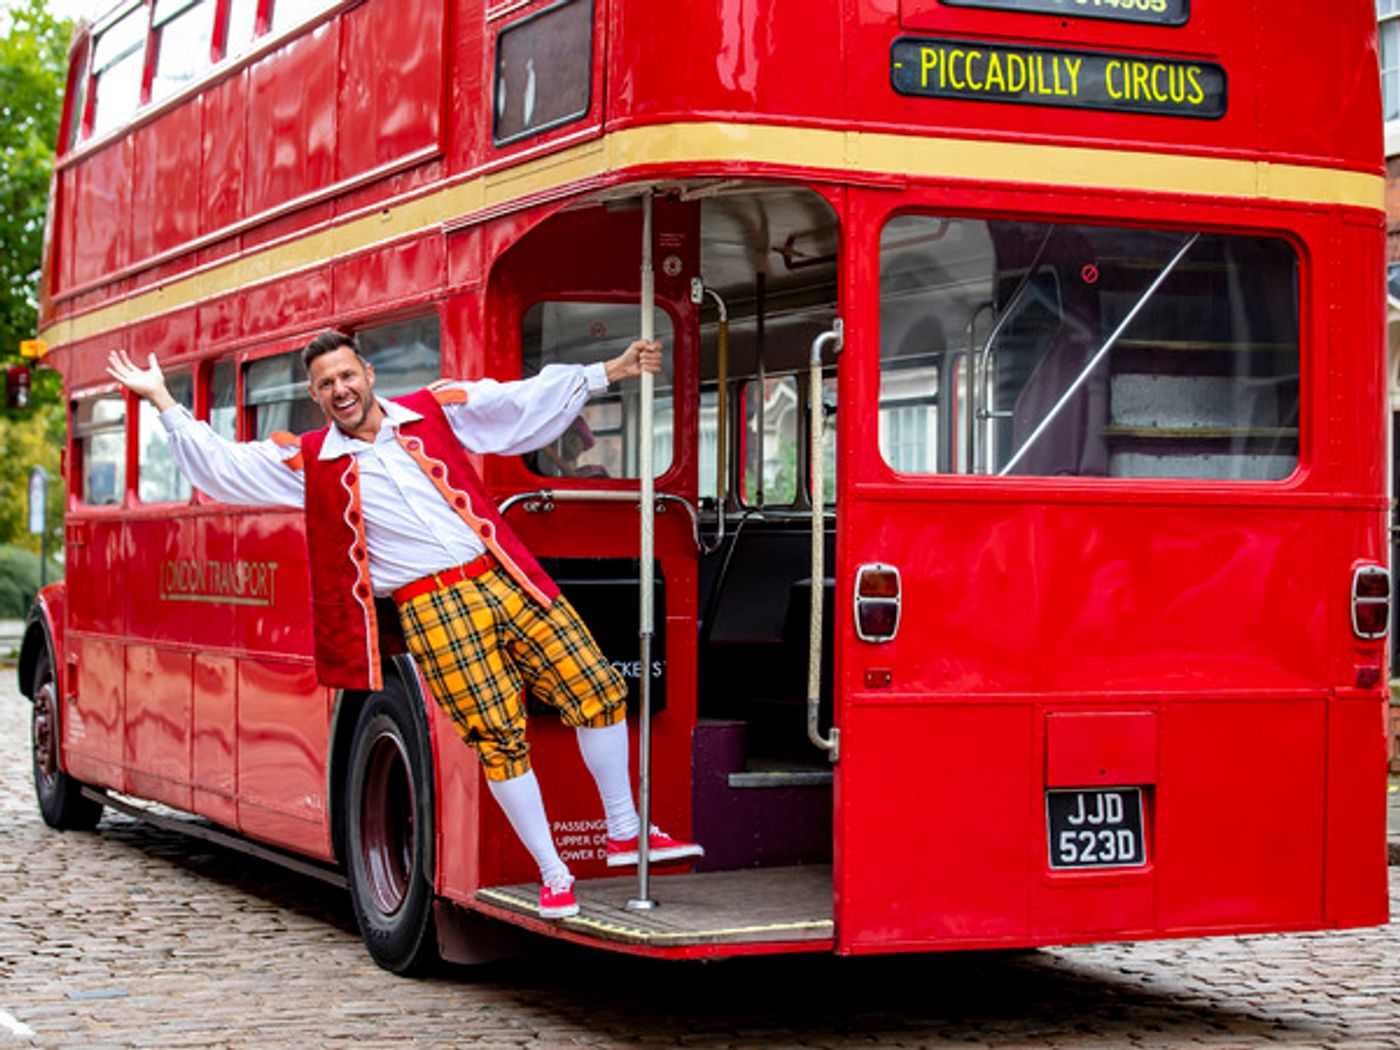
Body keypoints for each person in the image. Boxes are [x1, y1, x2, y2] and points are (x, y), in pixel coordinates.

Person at [107, 330, 702, 920]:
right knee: (498, 736)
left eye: (346, 376)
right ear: (315, 397)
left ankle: (624, 830)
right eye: (325, 385)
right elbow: (222, 466)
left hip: (500, 573)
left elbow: (513, 403)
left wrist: (610, 372)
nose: (340, 390)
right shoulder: (311, 460)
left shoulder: (429, 409)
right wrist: (163, 400)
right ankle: (553, 873)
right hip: (431, 607)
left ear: (367, 375)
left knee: (599, 688)